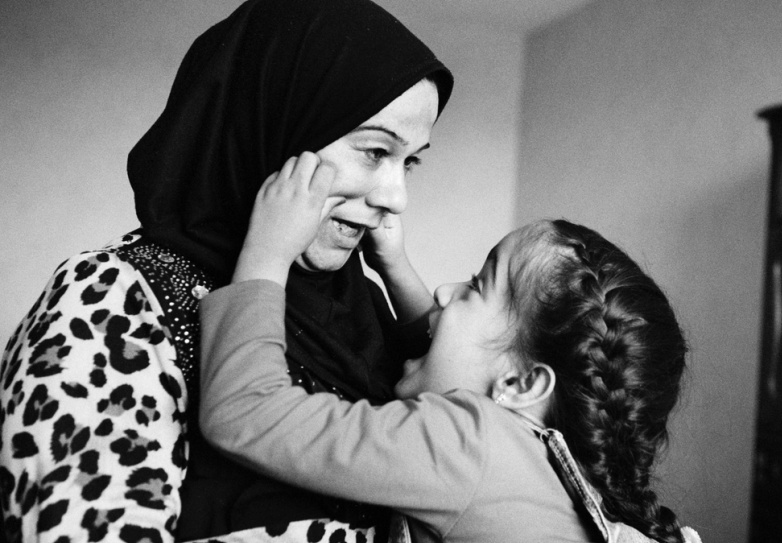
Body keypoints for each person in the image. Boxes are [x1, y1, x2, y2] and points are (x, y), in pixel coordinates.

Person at [0, 0, 453, 541]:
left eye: (411, 162)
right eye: (376, 151)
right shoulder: (114, 298)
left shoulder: (368, 314)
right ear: (275, 125)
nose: (396, 197)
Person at [196, 161, 702, 542]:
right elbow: (458, 362)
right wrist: (394, 264)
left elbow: (246, 415)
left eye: (477, 286)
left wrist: (268, 251)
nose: (443, 292)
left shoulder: (468, 444)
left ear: (524, 385)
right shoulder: (540, 454)